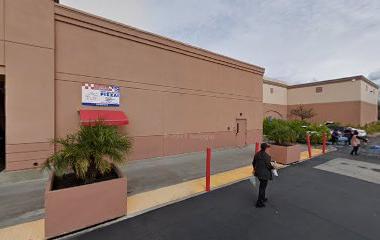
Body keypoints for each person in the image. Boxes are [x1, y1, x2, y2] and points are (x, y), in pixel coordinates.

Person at [252, 143, 274, 208]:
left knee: (262, 186)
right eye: (267, 147)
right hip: (264, 174)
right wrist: (273, 167)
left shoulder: (257, 154)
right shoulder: (267, 156)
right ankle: (259, 202)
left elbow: (253, 163)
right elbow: (269, 166)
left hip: (258, 173)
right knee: (262, 187)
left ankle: (263, 198)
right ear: (266, 148)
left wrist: (255, 169)